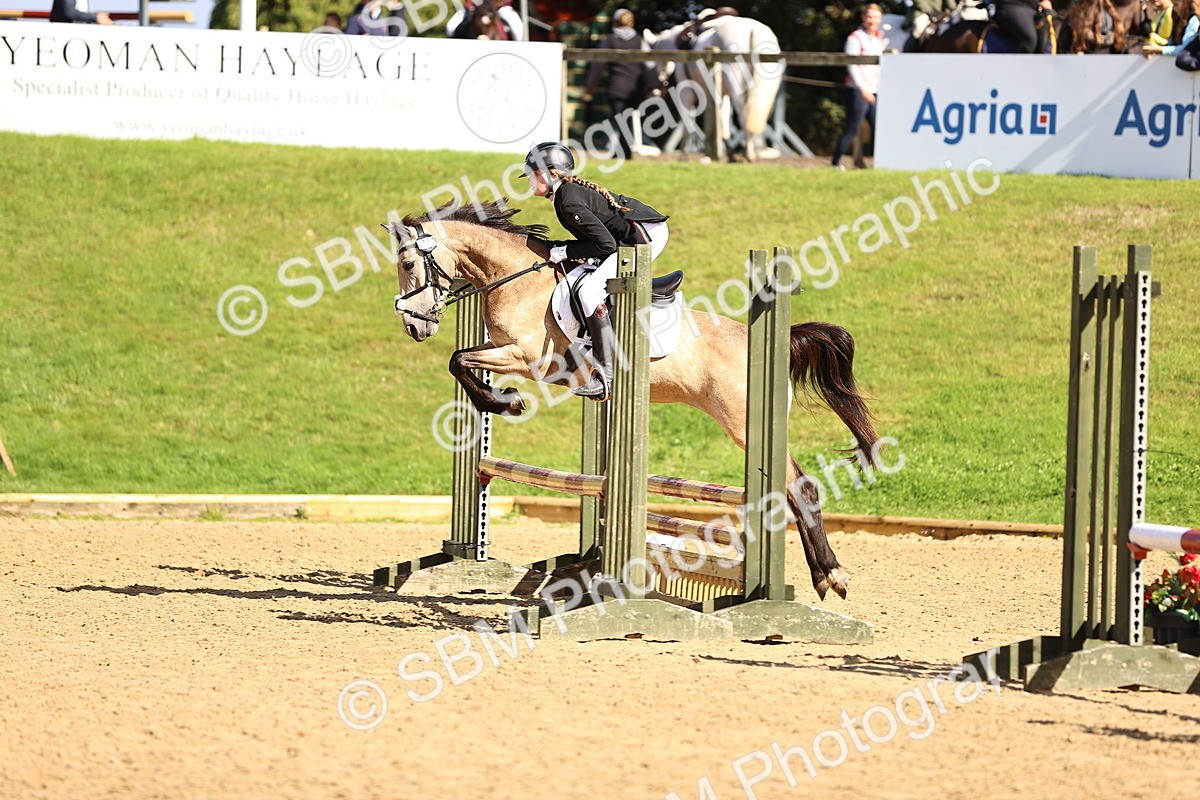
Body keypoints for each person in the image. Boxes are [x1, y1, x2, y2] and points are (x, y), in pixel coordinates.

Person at [524, 142, 669, 400]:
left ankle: (607, 375)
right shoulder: (565, 195)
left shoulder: (568, 200)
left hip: (644, 238)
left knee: (589, 292)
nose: (529, 181)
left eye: (533, 175)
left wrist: (566, 252)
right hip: (627, 237)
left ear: (549, 173)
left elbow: (606, 245)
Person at [582, 9, 659, 159]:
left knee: (622, 119)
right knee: (625, 119)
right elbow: (649, 65)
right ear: (632, 23)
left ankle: (625, 153)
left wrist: (590, 87)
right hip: (635, 89)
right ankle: (622, 151)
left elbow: (597, 65)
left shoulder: (609, 40)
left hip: (616, 87)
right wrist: (656, 84)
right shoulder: (639, 40)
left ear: (615, 22)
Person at [832, 4, 884, 170]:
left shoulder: (878, 40)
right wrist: (863, 89)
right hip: (857, 91)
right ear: (863, 17)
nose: (872, 21)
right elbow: (852, 65)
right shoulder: (855, 38)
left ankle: (882, 162)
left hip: (874, 91)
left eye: (876, 17)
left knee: (879, 129)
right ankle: (835, 162)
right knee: (852, 129)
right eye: (869, 17)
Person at [1143, 0, 1200, 67]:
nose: (1174, 8)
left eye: (1176, 5)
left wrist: (1160, 49)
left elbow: (1185, 49)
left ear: (1185, 4)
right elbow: (1171, 44)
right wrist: (1154, 48)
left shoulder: (1194, 20)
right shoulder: (1180, 20)